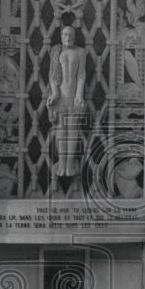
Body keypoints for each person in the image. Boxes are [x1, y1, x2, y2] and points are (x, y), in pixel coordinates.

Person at [45, 26, 87, 177]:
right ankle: (61, 163)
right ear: (61, 36)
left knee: (73, 129)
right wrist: (55, 92)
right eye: (65, 34)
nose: (68, 37)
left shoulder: (80, 52)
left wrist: (79, 95)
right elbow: (52, 74)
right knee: (61, 131)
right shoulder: (56, 51)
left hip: (73, 97)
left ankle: (69, 164)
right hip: (60, 96)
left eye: (70, 34)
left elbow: (81, 74)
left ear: (74, 36)